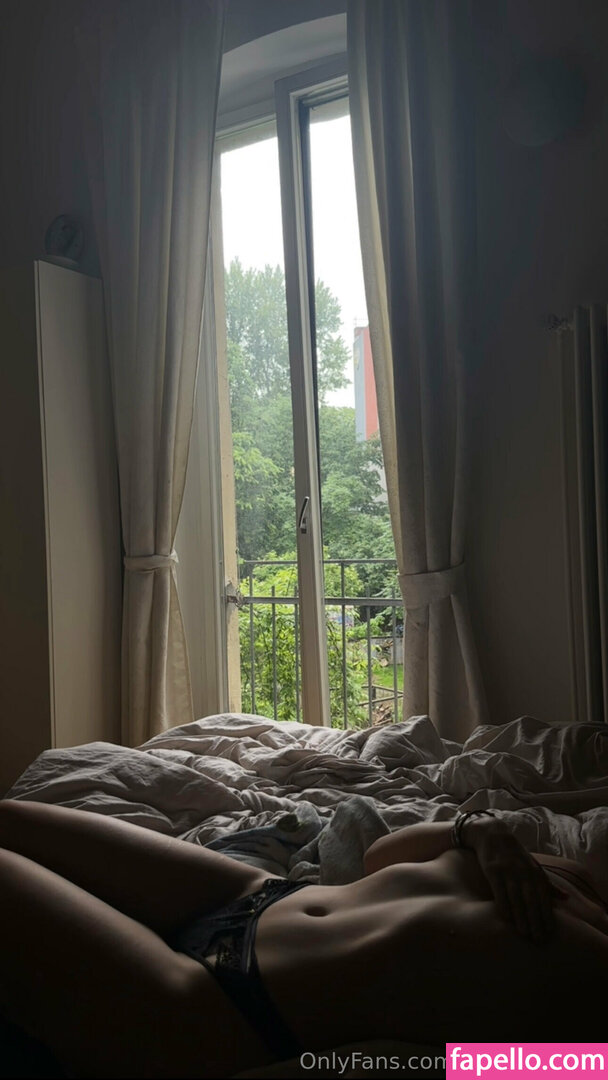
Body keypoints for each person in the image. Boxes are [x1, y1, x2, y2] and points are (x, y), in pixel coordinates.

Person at [0, 794, 607, 1079]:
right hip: (255, 895)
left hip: (225, 1010)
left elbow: (440, 1067)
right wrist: (478, 830)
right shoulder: (572, 873)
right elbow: (379, 856)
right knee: (11, 819)